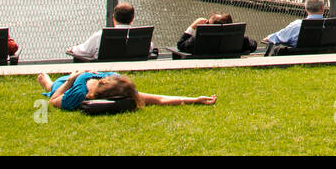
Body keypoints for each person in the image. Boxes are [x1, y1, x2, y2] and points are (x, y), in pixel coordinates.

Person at [36, 71, 215, 111]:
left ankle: (47, 81)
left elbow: (53, 99)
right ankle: (48, 81)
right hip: (74, 79)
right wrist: (71, 79)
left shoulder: (76, 95)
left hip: (68, 82)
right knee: (52, 85)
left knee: (52, 87)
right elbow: (159, 99)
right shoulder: (78, 94)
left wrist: (195, 99)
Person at [69, 2, 153, 60]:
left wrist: (73, 49)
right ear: (132, 18)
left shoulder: (100, 35)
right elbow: (150, 49)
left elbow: (82, 51)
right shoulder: (142, 36)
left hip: (105, 70)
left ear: (113, 18)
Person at [178, 12, 258, 54]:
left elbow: (181, 45)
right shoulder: (240, 41)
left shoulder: (197, 40)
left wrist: (193, 26)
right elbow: (253, 45)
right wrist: (236, 35)